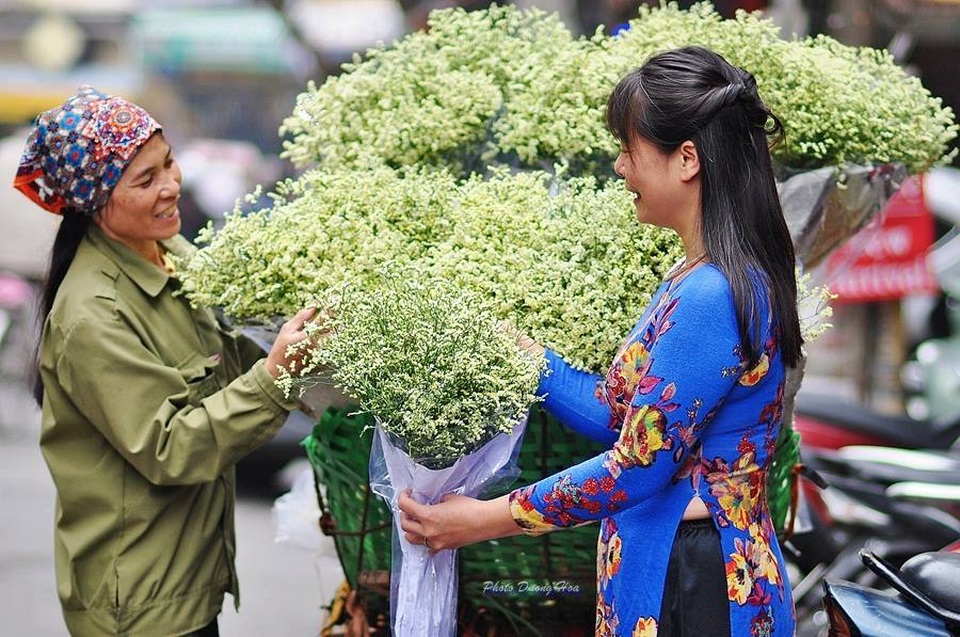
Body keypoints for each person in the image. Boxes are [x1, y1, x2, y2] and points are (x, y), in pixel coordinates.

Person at [398, 46, 802, 636]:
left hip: (695, 579)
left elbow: (635, 466)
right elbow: (619, 414)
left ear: (687, 159)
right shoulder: (700, 275)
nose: (618, 167)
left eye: (628, 148)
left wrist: (482, 520)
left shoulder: (712, 293)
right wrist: (529, 360)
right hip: (681, 562)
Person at [14, 86, 315, 636]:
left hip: (187, 580)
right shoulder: (93, 314)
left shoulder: (170, 254)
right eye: (145, 179)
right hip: (140, 606)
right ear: (95, 202)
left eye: (169, 162)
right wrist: (277, 376)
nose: (172, 185)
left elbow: (225, 359)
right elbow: (171, 448)